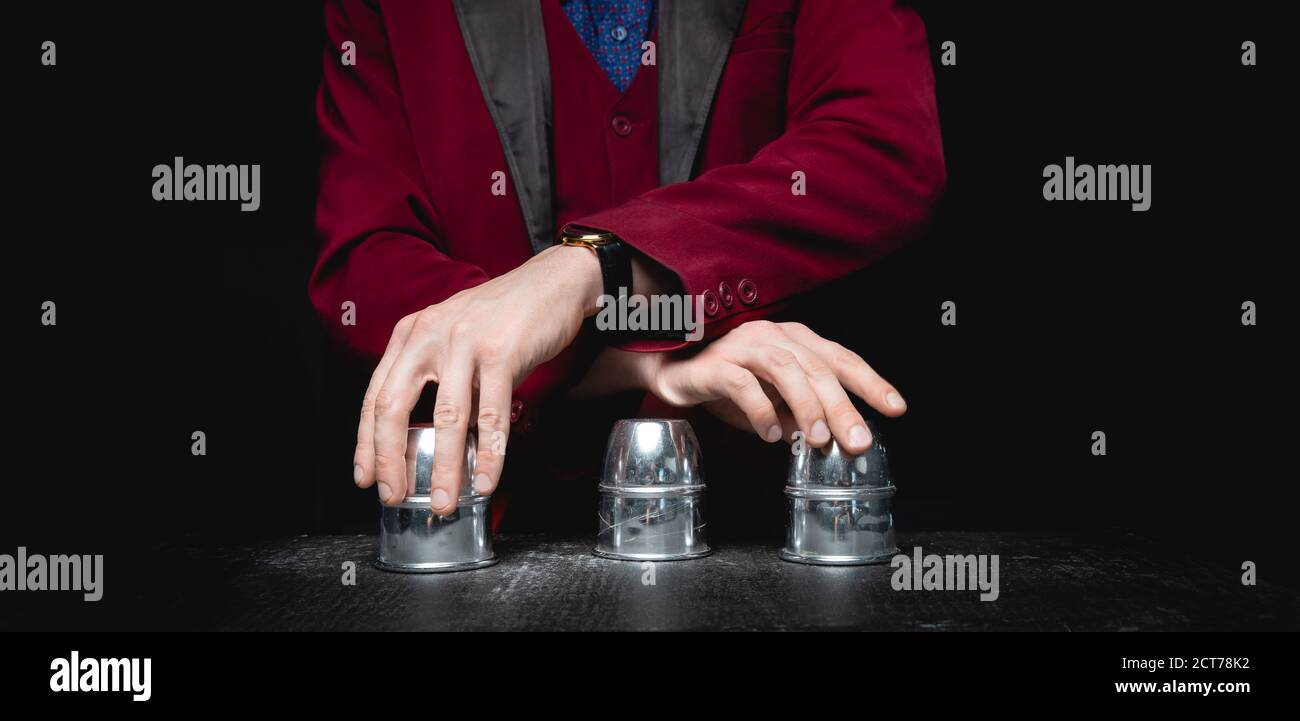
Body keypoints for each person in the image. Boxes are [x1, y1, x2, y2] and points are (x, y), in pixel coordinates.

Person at [310, 0, 945, 520]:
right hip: (483, 530)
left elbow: (881, 144)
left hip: (777, 519)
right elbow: (365, 267)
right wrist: (642, 357)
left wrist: (589, 270)